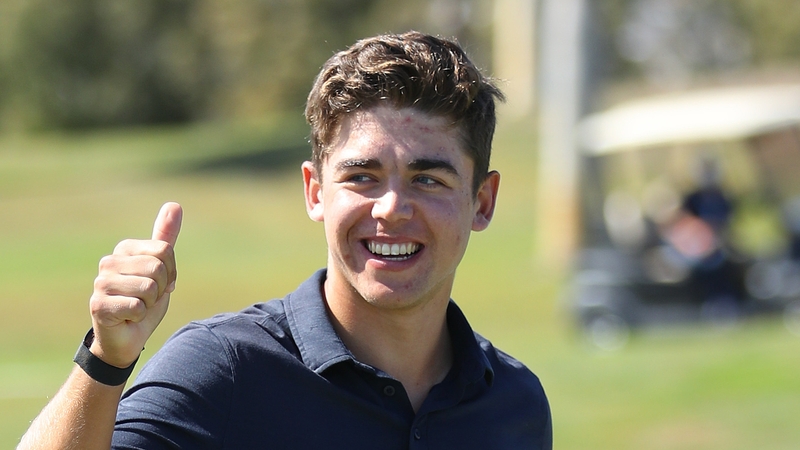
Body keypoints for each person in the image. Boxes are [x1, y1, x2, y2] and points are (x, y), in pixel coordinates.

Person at [18, 31, 552, 449]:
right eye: (361, 177)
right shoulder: (224, 370)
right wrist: (106, 361)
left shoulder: (514, 403)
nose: (391, 207)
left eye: (428, 179)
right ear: (315, 192)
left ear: (482, 201)